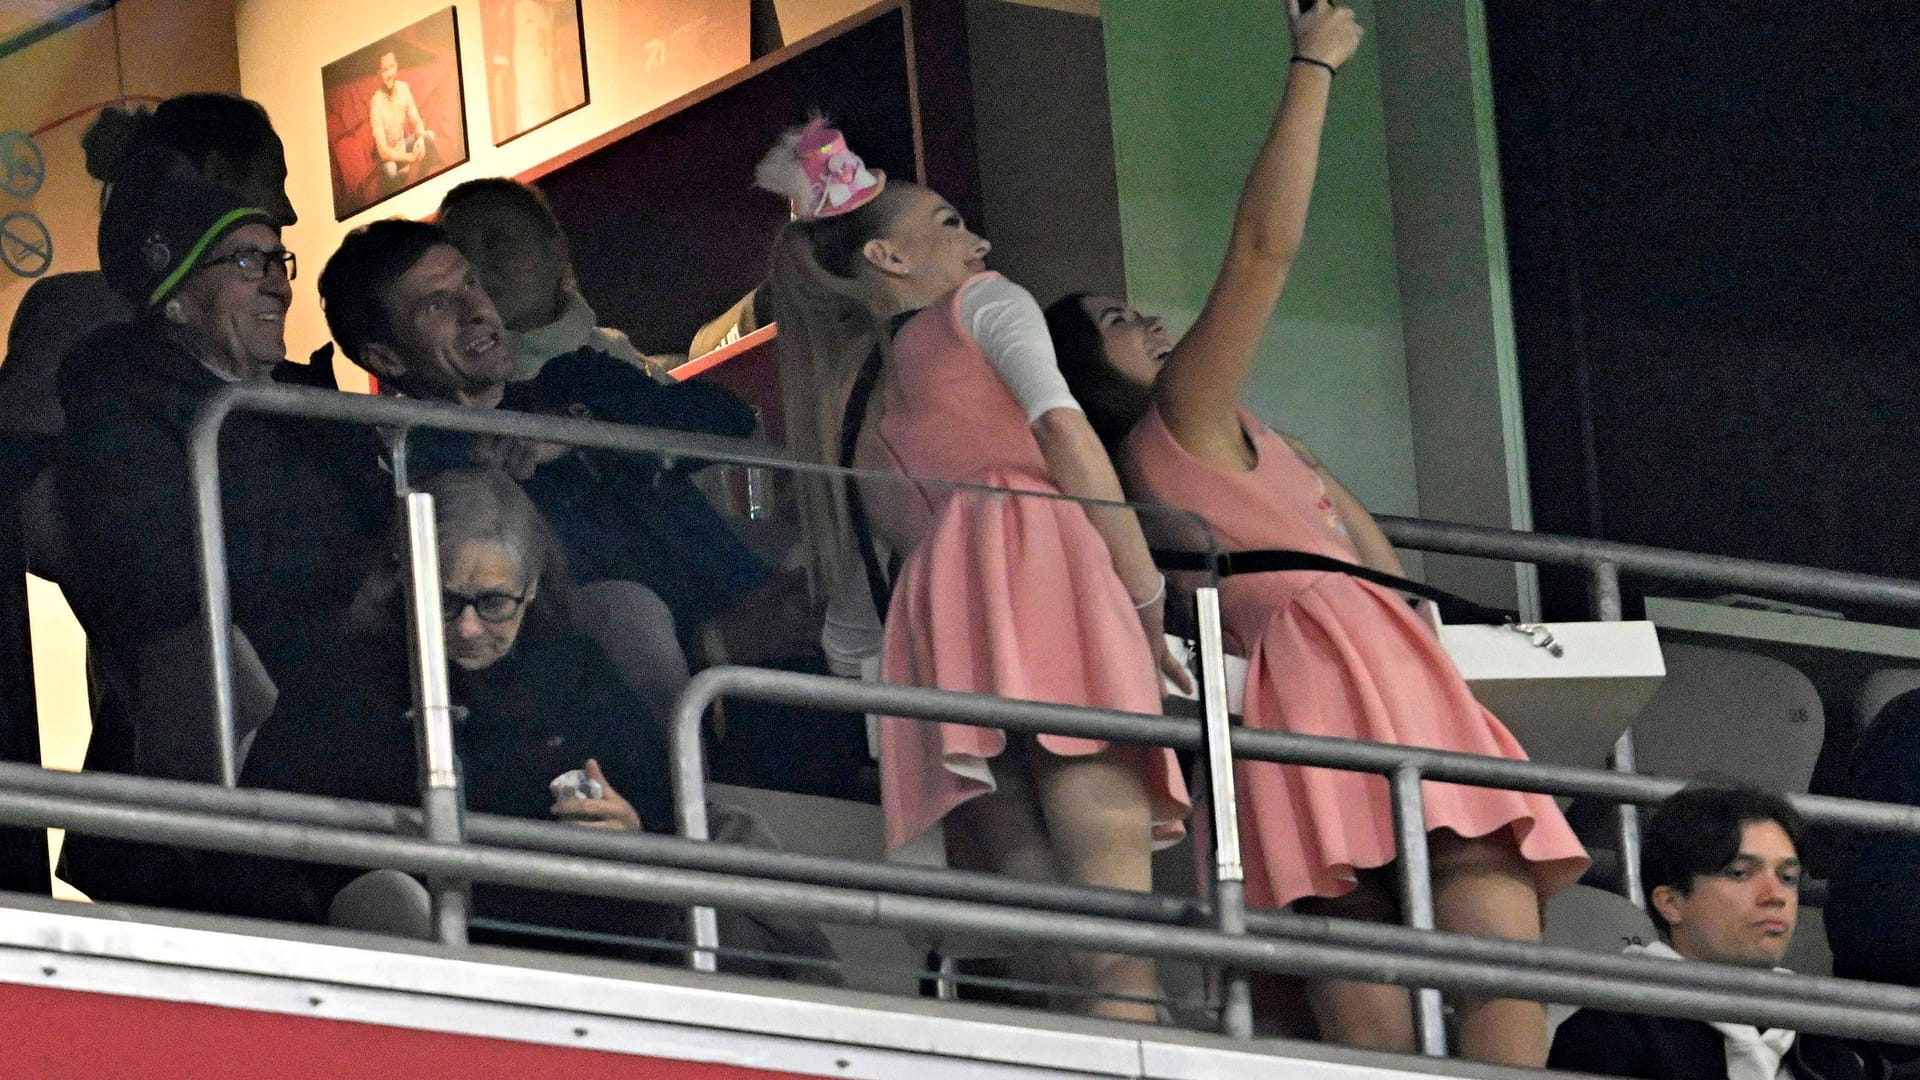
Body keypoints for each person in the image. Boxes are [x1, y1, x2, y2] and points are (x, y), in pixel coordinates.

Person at [1044, 2, 1584, 1062]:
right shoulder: (1175, 425)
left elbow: (1387, 580)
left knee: (1482, 943)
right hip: (1321, 668)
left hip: (1379, 658)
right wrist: (1313, 64)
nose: (1147, 322)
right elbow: (1262, 251)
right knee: (1411, 965)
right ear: (1086, 372)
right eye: (1115, 320)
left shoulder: (1239, 431)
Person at [761, 117, 1190, 1021]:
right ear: (887, 254)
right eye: (951, 222)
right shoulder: (987, 304)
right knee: (1111, 879)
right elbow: (1064, 429)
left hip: (939, 621)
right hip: (1044, 567)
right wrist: (1144, 592)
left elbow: (851, 610)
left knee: (1040, 915)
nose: (979, 241)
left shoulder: (842, 399)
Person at [233, 467, 836, 981]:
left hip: (617, 918)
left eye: (494, 603)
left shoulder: (570, 665)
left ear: (532, 590)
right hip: (473, 941)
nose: (468, 628)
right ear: (402, 581)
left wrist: (634, 830)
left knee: (734, 834)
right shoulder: (341, 679)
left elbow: (658, 800)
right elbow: (291, 845)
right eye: (445, 602)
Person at [49, 148, 387, 906]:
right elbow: (156, 578)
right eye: (245, 261)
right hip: (249, 747)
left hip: (356, 708)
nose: (278, 281)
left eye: (278, 259)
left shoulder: (310, 402)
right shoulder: (121, 412)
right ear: (175, 297)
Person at [1549, 787, 1881, 1079]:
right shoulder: (1604, 1034)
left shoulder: (1820, 1034)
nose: (1775, 895)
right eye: (1739, 873)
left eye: (1788, 877)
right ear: (1671, 902)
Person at [437, 177, 676, 382]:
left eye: (497, 242)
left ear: (556, 251)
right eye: (459, 253)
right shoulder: (450, 396)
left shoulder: (625, 360)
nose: (474, 267)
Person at [370, 49, 438, 191]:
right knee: (390, 169)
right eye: (384, 70)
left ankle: (424, 182)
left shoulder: (403, 87)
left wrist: (419, 139)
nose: (389, 74)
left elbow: (416, 119)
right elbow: (383, 152)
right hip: (389, 157)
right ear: (378, 74)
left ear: (397, 66)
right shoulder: (375, 103)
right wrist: (410, 158)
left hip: (403, 147)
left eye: (392, 67)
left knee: (429, 136)